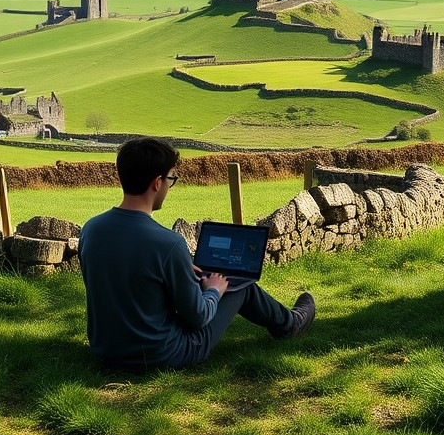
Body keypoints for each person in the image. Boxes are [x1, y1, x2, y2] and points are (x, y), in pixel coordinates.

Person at [79, 137, 316, 370]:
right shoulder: (168, 243)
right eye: (171, 179)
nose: (169, 187)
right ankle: (291, 324)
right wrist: (214, 290)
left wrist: (179, 273)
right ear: (156, 183)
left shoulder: (91, 229)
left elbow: (127, 281)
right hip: (164, 354)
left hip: (107, 351)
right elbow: (198, 317)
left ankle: (288, 322)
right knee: (240, 286)